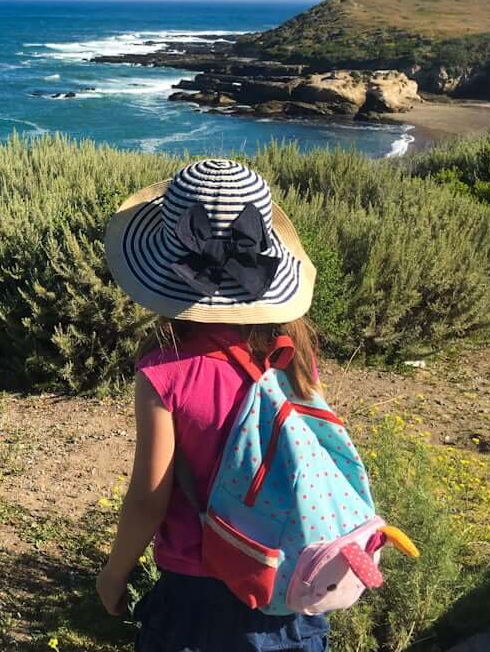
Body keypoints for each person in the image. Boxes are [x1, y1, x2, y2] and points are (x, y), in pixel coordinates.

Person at [97, 158, 330, 651]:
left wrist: (113, 575)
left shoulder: (166, 372)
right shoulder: (291, 353)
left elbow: (148, 499)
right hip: (289, 587)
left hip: (197, 594)